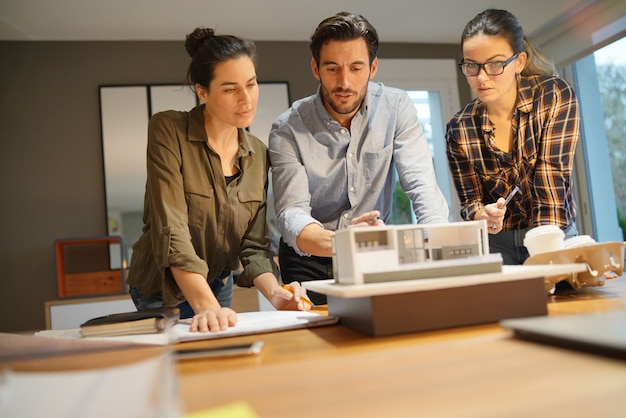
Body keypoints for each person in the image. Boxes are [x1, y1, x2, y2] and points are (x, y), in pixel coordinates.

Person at [126, 27, 311, 333]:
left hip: (217, 283)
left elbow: (253, 245)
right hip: (163, 287)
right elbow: (171, 228)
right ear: (203, 91)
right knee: (180, 370)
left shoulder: (258, 154)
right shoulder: (168, 130)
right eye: (229, 89)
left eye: (251, 84)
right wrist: (206, 305)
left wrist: (277, 294)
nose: (246, 99)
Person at [269, 12, 450, 304]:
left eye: (356, 68)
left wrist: (440, 246)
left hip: (372, 253)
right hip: (310, 257)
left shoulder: (396, 108)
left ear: (373, 67)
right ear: (315, 68)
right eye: (332, 68)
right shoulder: (287, 127)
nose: (345, 82)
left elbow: (422, 186)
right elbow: (292, 212)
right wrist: (343, 242)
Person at [446, 9, 580, 265]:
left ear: (518, 62)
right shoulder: (459, 128)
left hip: (552, 235)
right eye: (472, 65)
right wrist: (481, 214)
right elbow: (469, 201)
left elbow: (551, 179)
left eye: (495, 64)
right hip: (498, 245)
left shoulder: (553, 95)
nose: (481, 78)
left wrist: (546, 259)